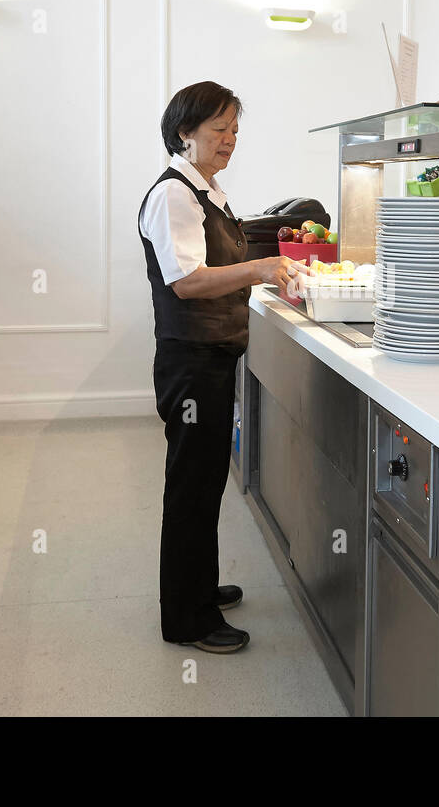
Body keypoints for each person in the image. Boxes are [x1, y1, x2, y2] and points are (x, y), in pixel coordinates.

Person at [137, 80, 305, 653]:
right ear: (185, 132)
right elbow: (186, 282)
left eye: (235, 130)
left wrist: (264, 265)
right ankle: (187, 618)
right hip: (191, 362)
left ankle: (199, 589)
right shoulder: (174, 196)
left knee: (206, 482)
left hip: (210, 355)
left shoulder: (207, 192)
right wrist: (261, 269)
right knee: (192, 487)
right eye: (219, 129)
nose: (230, 140)